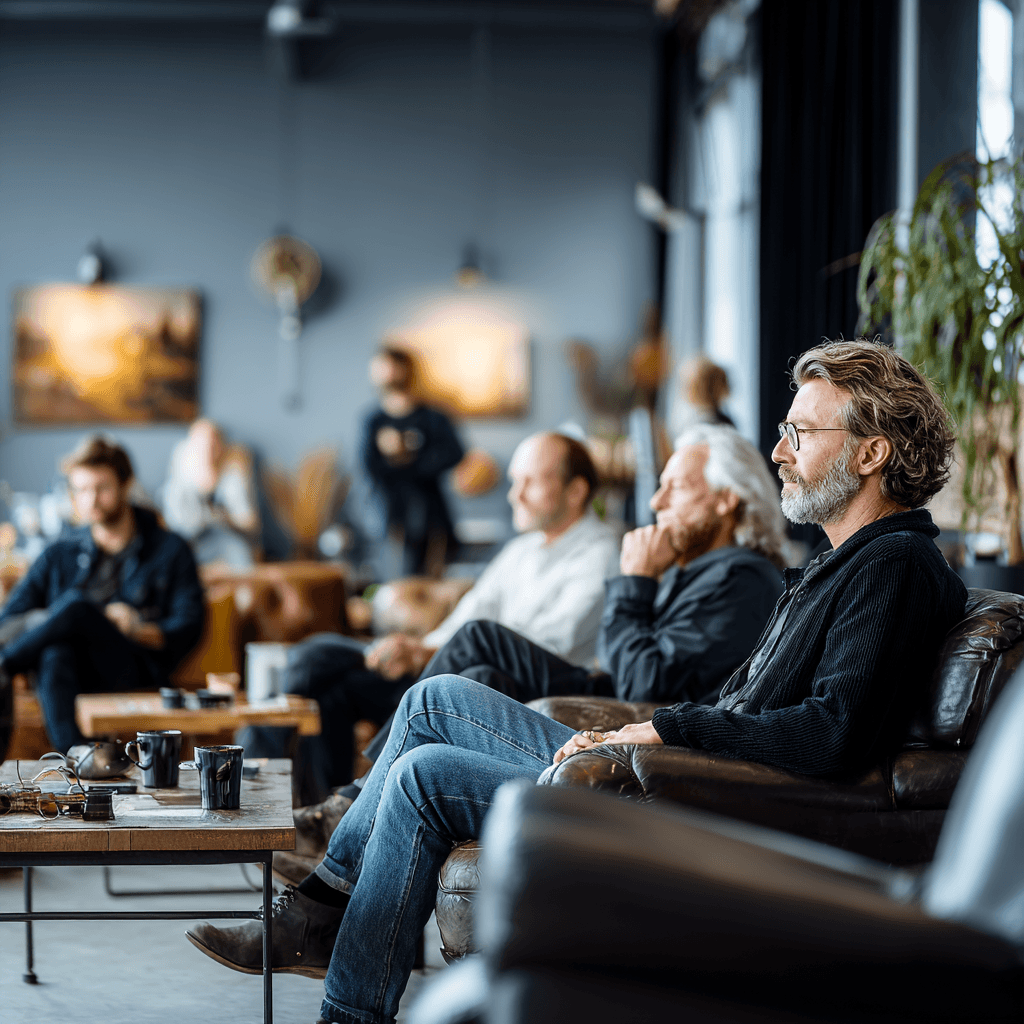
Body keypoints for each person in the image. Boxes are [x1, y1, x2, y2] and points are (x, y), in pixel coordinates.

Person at [188, 340, 967, 1024]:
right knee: (436, 696)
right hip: (681, 767)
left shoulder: (894, 565)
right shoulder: (840, 563)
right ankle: (320, 910)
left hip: (698, 795)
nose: (781, 450)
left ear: (871, 455)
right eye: (784, 431)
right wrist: (646, 728)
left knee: (425, 775)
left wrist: (665, 729)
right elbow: (748, 700)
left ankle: (338, 979)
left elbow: (830, 733)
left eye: (801, 431)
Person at [260, 431, 620, 796]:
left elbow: (549, 641)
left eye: (530, 482)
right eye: (515, 481)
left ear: (575, 491)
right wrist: (418, 650)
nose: (515, 495)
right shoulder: (521, 551)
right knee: (316, 662)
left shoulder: (601, 552)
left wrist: (429, 653)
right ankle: (322, 816)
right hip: (449, 669)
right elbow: (469, 613)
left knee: (479, 669)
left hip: (513, 688)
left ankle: (360, 791)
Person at [412, 423, 787, 711]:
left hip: (619, 718)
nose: (657, 502)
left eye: (677, 488)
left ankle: (357, 790)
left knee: (481, 637)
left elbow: (644, 688)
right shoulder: (698, 571)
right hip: (606, 691)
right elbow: (621, 657)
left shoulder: (742, 578)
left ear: (726, 501)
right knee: (480, 679)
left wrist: (636, 583)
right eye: (660, 486)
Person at [0, 436, 205, 752]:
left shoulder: (170, 549)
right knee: (55, 649)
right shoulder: (59, 554)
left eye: (102, 488)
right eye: (81, 490)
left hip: (133, 666)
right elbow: (8, 621)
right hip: (68, 670)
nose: (91, 499)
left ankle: (5, 664)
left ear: (126, 485)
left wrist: (138, 628)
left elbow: (189, 626)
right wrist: (51, 622)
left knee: (76, 606)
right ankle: (80, 762)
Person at [362, 346, 464, 577]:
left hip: (430, 515)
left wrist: (407, 461)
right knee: (393, 579)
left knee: (430, 581)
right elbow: (369, 466)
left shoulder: (432, 417)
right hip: (390, 516)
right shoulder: (374, 421)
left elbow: (454, 453)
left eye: (386, 368)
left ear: (403, 370)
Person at [161, 418, 260, 568]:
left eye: (213, 444)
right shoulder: (176, 487)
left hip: (226, 542)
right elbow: (176, 528)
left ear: (221, 448)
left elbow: (249, 523)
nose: (207, 450)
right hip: (190, 544)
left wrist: (223, 517)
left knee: (235, 547)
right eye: (200, 444)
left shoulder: (232, 480)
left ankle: (246, 590)